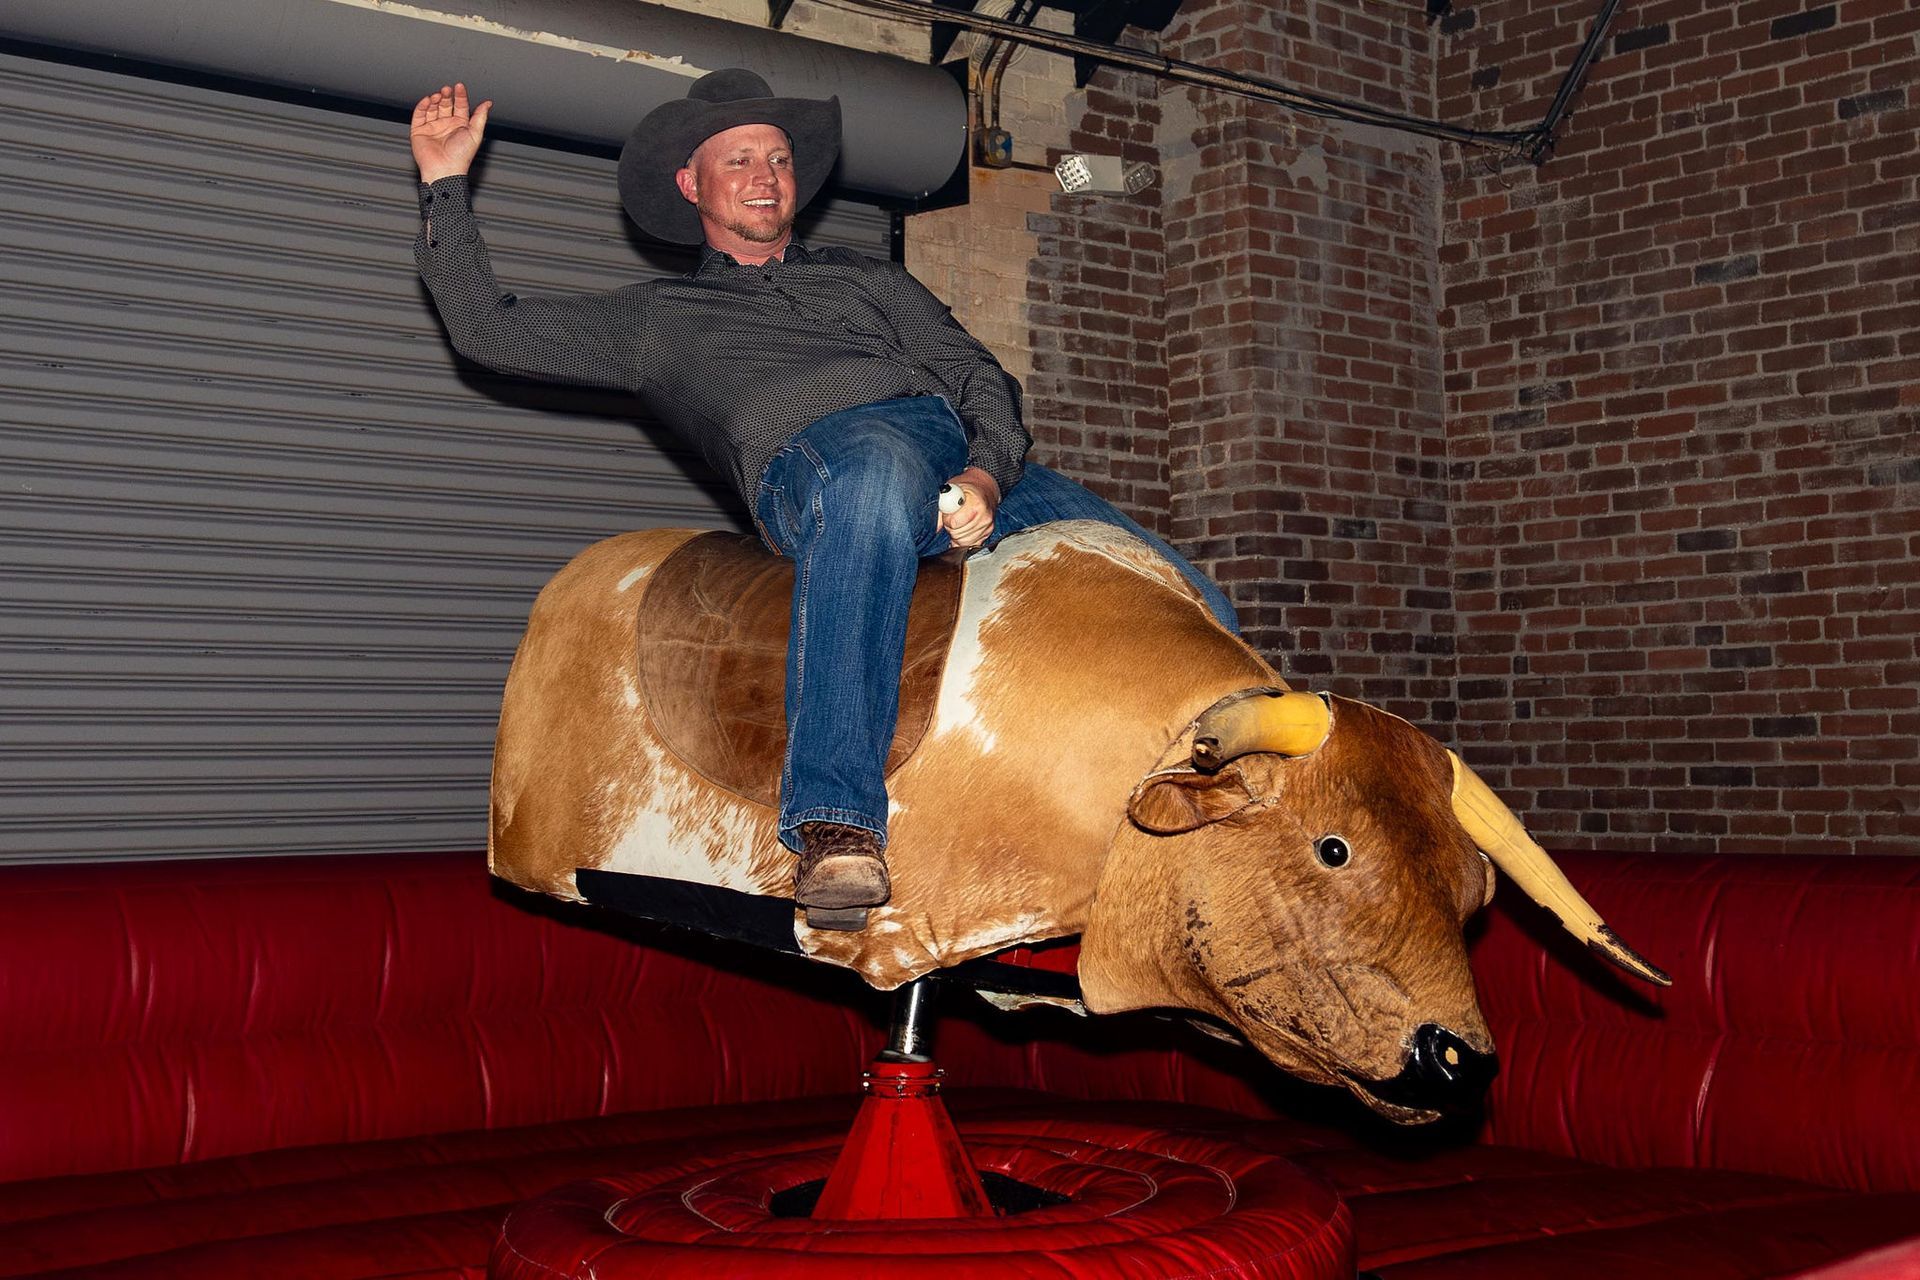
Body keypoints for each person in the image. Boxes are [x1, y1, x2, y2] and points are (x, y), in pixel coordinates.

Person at [409, 70, 1238, 921]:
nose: (766, 175)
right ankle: (836, 827)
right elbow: (488, 329)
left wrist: (986, 473)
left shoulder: (868, 278)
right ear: (692, 185)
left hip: (956, 451)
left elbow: (973, 373)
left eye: (779, 157)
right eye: (739, 160)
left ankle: (1234, 811)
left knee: (1185, 591)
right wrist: (443, 184)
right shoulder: (657, 318)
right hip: (823, 458)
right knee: (873, 474)